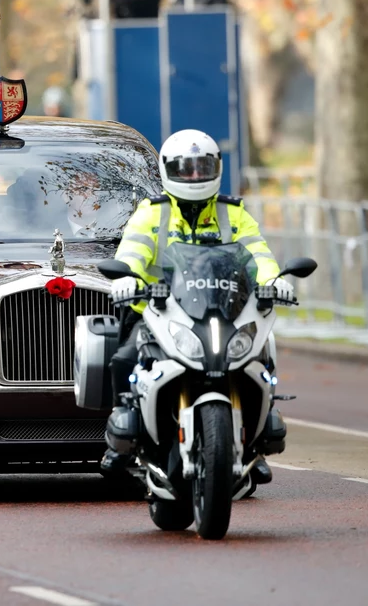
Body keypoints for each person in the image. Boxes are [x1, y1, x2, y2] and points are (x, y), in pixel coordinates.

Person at [100, 129, 291, 486]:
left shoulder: (234, 213)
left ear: (215, 168)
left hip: (224, 312)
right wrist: (127, 278)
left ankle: (254, 444)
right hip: (160, 311)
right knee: (124, 358)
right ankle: (120, 434)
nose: (194, 176)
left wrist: (273, 279)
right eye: (185, 169)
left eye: (201, 167)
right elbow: (132, 254)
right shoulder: (151, 213)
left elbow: (257, 254)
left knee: (259, 359)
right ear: (168, 170)